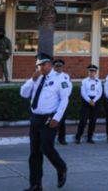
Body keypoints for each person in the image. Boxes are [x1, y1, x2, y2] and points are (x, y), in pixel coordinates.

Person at [19, 53, 69, 191]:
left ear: (49, 64)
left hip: (49, 120)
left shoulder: (60, 79)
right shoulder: (36, 77)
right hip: (35, 119)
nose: (40, 67)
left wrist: (57, 118)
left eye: (42, 64)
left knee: (46, 148)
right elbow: (23, 93)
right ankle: (35, 184)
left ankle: (61, 167)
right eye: (38, 65)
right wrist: (31, 80)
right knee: (34, 153)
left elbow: (64, 100)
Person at [75, 64, 103, 144]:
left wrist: (94, 100)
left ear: (96, 72)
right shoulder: (84, 81)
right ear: (88, 72)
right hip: (86, 101)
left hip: (95, 101)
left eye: (93, 71)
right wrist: (89, 100)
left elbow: (100, 92)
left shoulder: (98, 81)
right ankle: (78, 137)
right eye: (90, 71)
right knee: (83, 120)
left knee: (93, 121)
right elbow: (83, 92)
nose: (92, 73)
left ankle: (90, 138)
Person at [52, 59, 72, 145]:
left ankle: (62, 138)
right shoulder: (50, 75)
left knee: (62, 121)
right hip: (52, 102)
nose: (58, 68)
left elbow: (69, 88)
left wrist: (65, 97)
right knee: (51, 121)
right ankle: (50, 139)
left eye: (60, 66)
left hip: (62, 102)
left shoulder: (66, 76)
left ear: (62, 67)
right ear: (54, 66)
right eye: (57, 66)